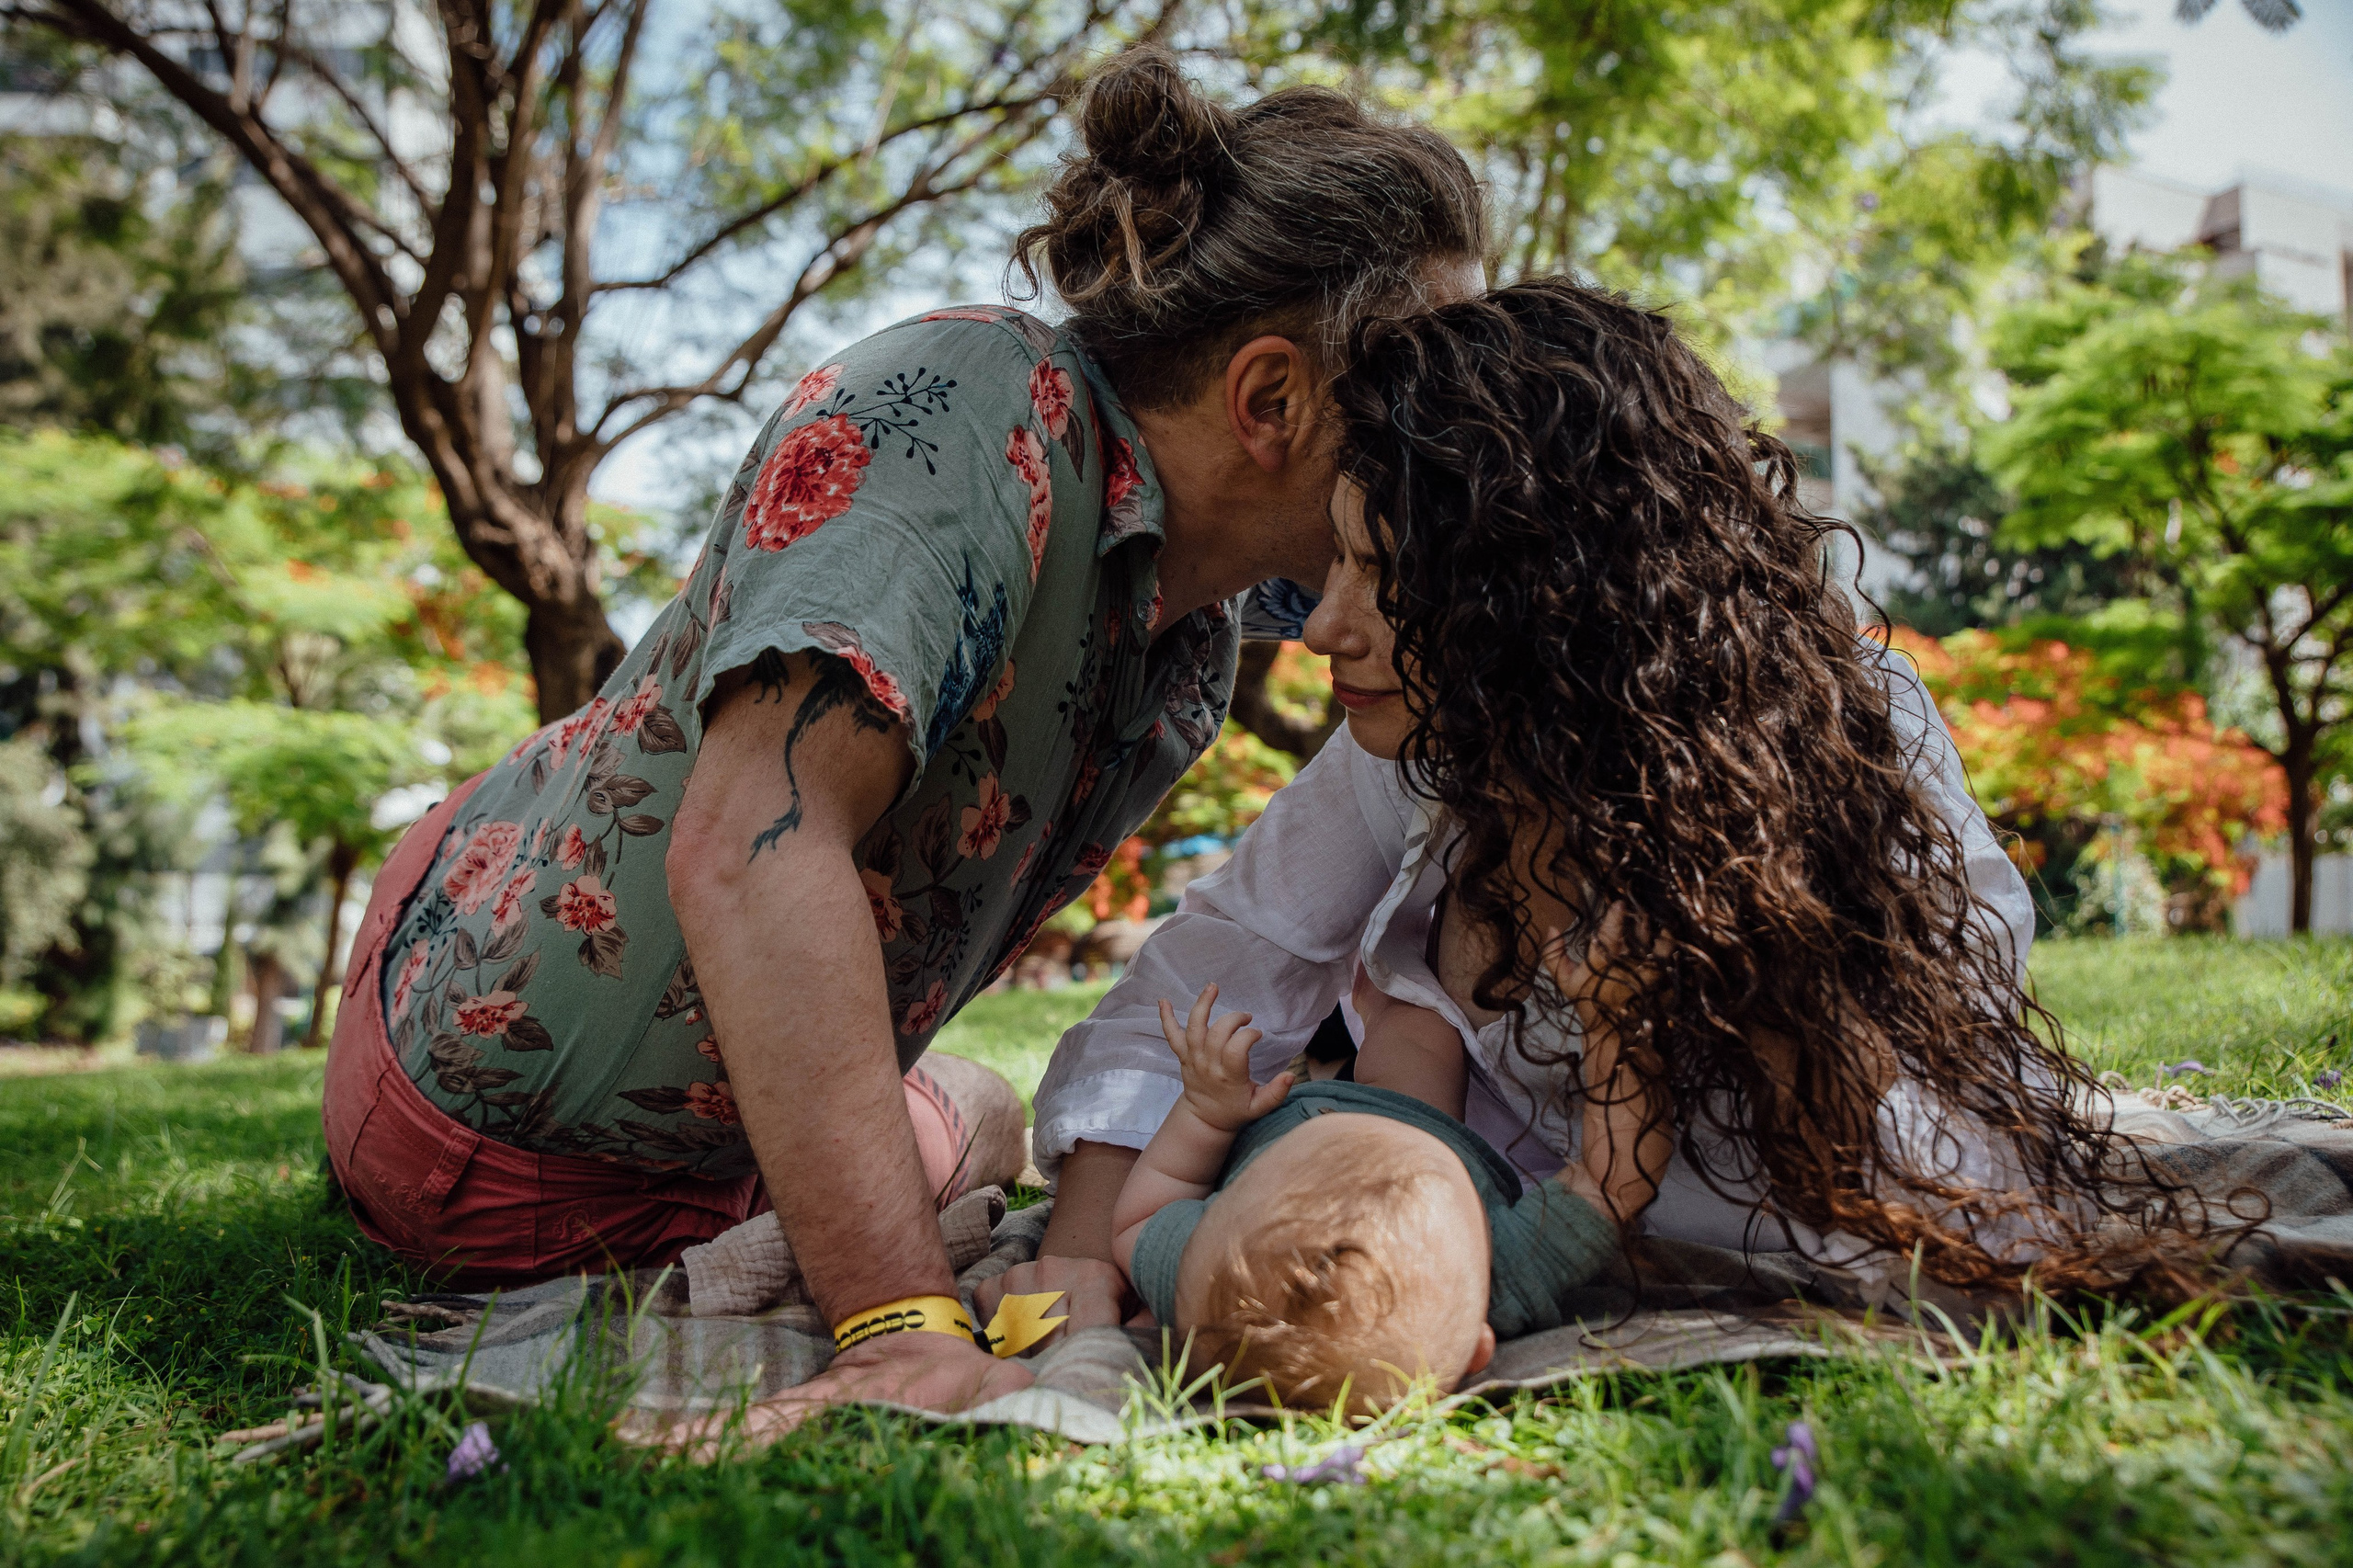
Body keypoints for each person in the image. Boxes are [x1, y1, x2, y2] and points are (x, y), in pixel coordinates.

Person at [321, 46, 1489, 1431]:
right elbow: (753, 847)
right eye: (1424, 377)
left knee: (989, 1115)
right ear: (1274, 400)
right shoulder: (970, 409)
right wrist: (900, 1322)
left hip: (707, 1169)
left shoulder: (1193, 641)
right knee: (964, 1124)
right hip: (473, 1120)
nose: (1461, 426)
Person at [1011, 279, 2199, 1332]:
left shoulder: (1844, 723)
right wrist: (1078, 1251)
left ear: (1541, 598)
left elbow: (1954, 1016)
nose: (1324, 626)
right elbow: (1215, 969)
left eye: (1385, 577)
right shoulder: (1418, 742)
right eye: (1336, 563)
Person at [1106, 954, 1662, 1413]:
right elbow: (1615, 1179)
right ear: (1478, 1346)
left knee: (1397, 993)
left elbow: (1145, 1209)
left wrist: (1206, 1117)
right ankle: (1381, 975)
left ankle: (1364, 979)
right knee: (1419, 1014)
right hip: (1414, 1110)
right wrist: (1615, 1022)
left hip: (1261, 1118)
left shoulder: (1203, 1278)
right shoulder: (1501, 1272)